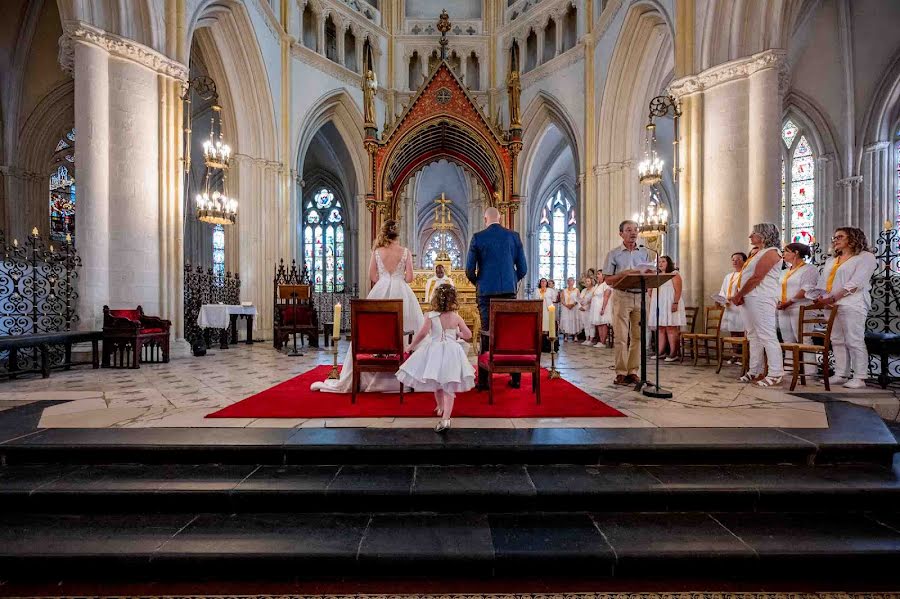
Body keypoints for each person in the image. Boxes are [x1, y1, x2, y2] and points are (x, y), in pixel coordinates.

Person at [311, 219, 425, 393]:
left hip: (380, 291)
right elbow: (409, 278)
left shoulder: (377, 251)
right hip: (403, 293)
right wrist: (398, 279)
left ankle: (375, 370)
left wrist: (385, 282)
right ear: (397, 234)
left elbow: (372, 276)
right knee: (407, 328)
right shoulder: (405, 252)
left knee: (377, 329)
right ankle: (406, 375)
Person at [397, 284, 474, 433]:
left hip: (434, 351)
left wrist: (411, 346)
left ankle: (441, 409)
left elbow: (422, 334)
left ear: (435, 299)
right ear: (453, 300)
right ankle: (446, 417)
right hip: (452, 352)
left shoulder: (430, 316)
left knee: (437, 382)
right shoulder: (456, 317)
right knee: (449, 385)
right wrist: (458, 334)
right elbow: (469, 335)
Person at [466, 206, 528, 388]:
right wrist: (511, 280)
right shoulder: (514, 237)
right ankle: (515, 378)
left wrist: (479, 282)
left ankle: (484, 382)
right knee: (509, 333)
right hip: (509, 293)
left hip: (486, 294)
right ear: (500, 218)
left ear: (486, 219)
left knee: (487, 333)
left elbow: (469, 270)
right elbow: (523, 269)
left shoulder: (478, 238)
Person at [811, 227, 877, 389]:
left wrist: (833, 298)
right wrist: (820, 297)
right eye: (834, 237)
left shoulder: (865, 257)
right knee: (837, 339)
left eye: (840, 236)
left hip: (852, 303)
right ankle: (841, 373)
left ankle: (860, 376)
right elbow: (823, 283)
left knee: (854, 339)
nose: (835, 240)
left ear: (853, 238)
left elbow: (856, 283)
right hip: (831, 304)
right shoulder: (832, 260)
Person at [730, 223, 784, 387]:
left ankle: (775, 373)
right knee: (753, 335)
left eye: (754, 233)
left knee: (767, 334)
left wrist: (739, 294)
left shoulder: (772, 252)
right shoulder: (758, 253)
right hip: (750, 297)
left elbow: (756, 277)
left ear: (764, 235)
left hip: (761, 297)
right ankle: (755, 370)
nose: (750, 236)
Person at [603, 220, 653, 385]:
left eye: (635, 230)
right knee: (621, 337)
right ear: (621, 234)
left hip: (640, 296)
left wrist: (651, 273)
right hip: (622, 296)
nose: (633, 232)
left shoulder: (645, 252)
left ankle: (633, 371)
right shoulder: (614, 254)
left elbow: (650, 273)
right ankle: (621, 372)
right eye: (629, 230)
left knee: (638, 337)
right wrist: (623, 274)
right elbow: (608, 279)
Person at [777, 243, 819, 344]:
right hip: (784, 308)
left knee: (804, 340)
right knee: (787, 340)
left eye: (786, 251)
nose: (784, 253)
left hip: (800, 307)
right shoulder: (785, 271)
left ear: (796, 253)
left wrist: (789, 302)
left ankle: (808, 360)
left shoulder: (809, 269)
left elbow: (806, 289)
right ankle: (789, 360)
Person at [648, 255, 686, 361]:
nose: (660, 264)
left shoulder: (674, 274)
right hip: (659, 304)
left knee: (671, 327)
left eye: (663, 261)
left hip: (670, 303)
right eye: (659, 262)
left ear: (668, 263)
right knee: (660, 328)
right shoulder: (656, 275)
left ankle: (673, 353)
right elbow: (651, 293)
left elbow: (678, 290)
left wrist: (675, 303)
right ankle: (661, 352)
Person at [719, 252, 747, 337]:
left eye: (738, 259)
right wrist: (720, 300)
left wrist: (734, 297)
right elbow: (723, 291)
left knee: (743, 332)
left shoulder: (746, 275)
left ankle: (744, 350)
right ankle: (735, 350)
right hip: (730, 308)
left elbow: (746, 291)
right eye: (733, 260)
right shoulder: (728, 276)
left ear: (745, 261)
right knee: (733, 333)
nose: (735, 261)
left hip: (741, 307)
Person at [590, 271, 612, 348]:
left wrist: (603, 308)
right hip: (596, 307)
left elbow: (606, 296)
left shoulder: (606, 285)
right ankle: (600, 341)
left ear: (603, 276)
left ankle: (603, 342)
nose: (597, 275)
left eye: (599, 274)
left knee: (603, 323)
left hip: (602, 306)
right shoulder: (596, 285)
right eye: (597, 274)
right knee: (599, 324)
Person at [579, 275, 598, 345]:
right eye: (586, 281)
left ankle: (591, 339)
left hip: (590, 309)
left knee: (591, 324)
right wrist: (581, 305)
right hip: (582, 308)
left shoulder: (594, 289)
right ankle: (586, 339)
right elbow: (580, 299)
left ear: (591, 282)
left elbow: (592, 300)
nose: (587, 283)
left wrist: (585, 306)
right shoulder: (584, 290)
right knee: (585, 324)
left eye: (588, 281)